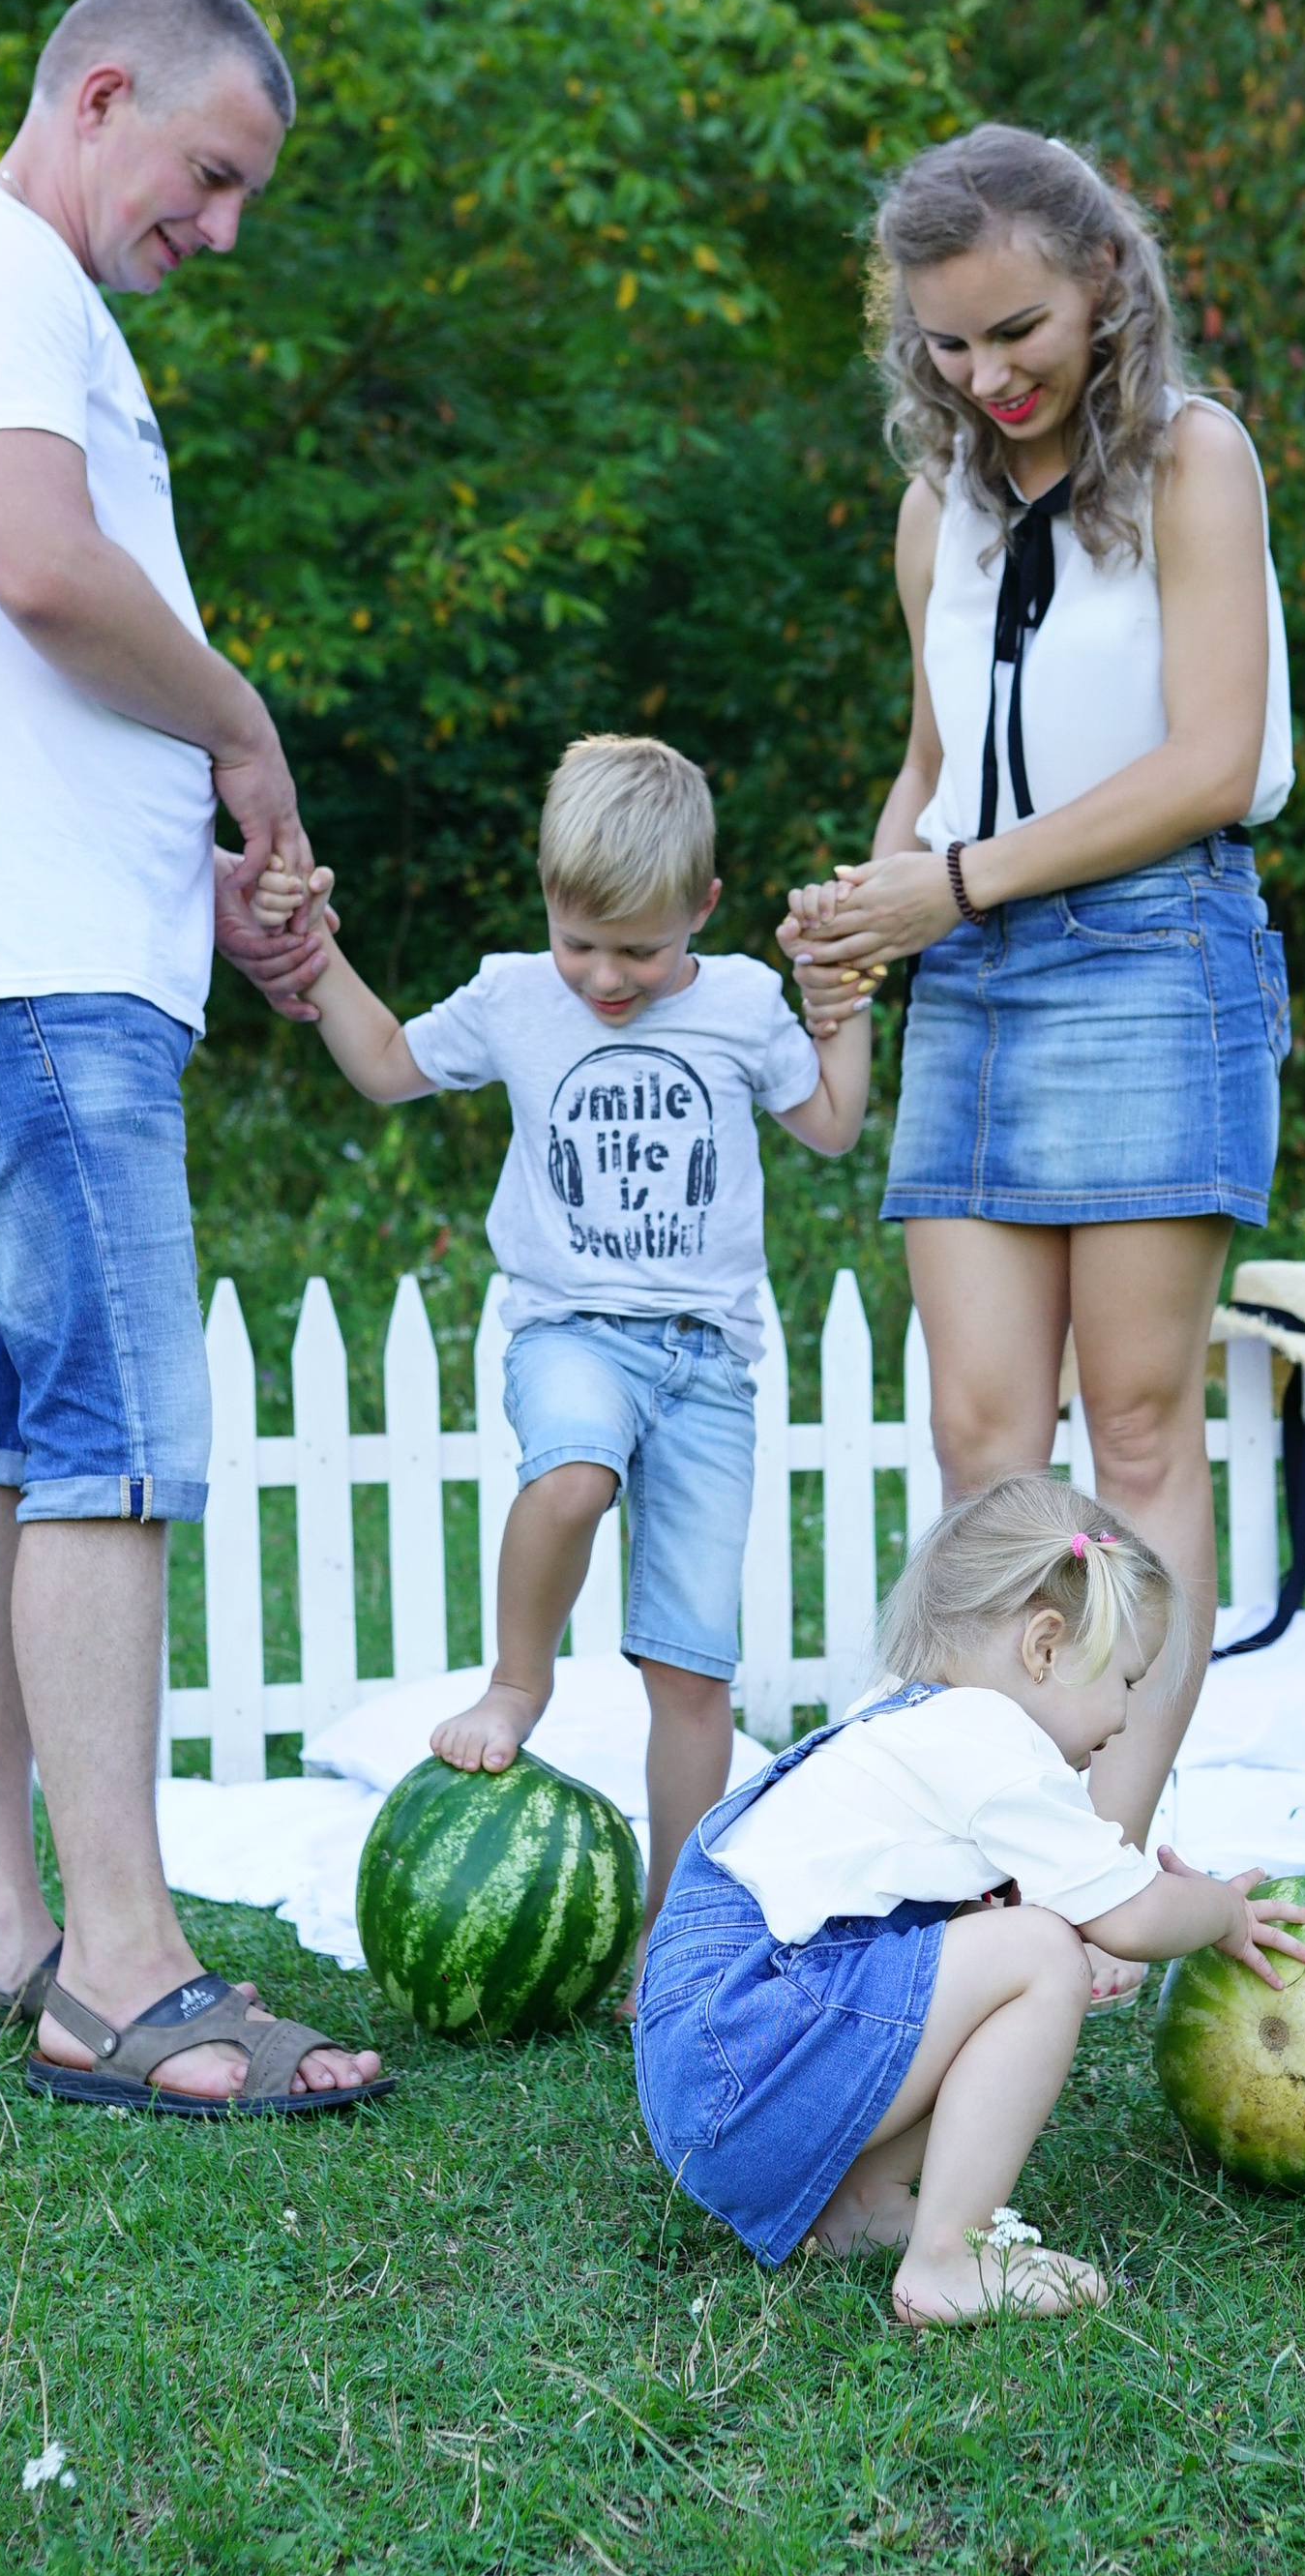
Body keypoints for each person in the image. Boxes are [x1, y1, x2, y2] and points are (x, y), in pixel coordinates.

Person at [0, 0, 386, 2115]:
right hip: (25, 969)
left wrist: (195, 855)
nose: (219, 229)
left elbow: (21, 637)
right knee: (117, 1438)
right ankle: (123, 1971)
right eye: (211, 176)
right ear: (105, 93)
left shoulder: (16, 296)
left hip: (27, 941)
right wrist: (238, 724)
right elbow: (38, 570)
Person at [781, 126, 1293, 1860]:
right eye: (945, 342)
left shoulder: (1195, 461)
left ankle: (1103, 1864)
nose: (985, 374)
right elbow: (933, 769)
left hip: (1154, 953)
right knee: (986, 1442)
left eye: (1015, 330)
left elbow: (1212, 762)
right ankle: (1005, 1823)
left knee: (1139, 1430)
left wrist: (957, 883)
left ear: (1101, 287)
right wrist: (863, 924)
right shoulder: (942, 511)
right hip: (975, 982)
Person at [250, 734, 871, 1959]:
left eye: (639, 948)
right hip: (570, 1328)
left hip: (707, 1363)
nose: (603, 975)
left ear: (703, 905)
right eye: (578, 940)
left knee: (692, 1673)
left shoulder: (743, 1000)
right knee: (574, 1471)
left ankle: (671, 1935)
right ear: (546, 896)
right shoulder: (514, 996)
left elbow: (835, 1127)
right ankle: (516, 1683)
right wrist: (314, 953)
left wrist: (834, 1008)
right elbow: (384, 1066)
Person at [631, 1477, 1305, 2324]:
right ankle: (949, 2256)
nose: (1127, 1718)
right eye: (1126, 1683)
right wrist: (1219, 1910)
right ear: (1045, 1648)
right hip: (741, 2066)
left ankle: (855, 2204)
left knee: (1003, 1936)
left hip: (720, 2077)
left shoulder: (901, 1716)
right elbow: (1134, 1919)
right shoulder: (993, 1744)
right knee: (1038, 1953)